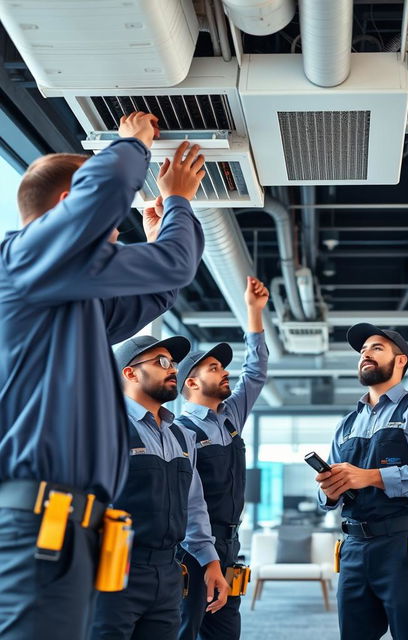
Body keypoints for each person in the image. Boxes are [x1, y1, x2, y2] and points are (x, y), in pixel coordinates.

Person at [0, 111, 206, 640]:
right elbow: (108, 189)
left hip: (73, 528)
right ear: (69, 207)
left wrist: (165, 232)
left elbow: (164, 281)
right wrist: (132, 144)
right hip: (39, 524)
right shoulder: (19, 262)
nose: (116, 234)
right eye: (110, 226)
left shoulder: (74, 299)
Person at [316, 323, 408, 640]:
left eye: (376, 348)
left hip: (403, 545)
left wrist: (370, 476)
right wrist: (328, 491)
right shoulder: (347, 423)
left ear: (401, 360)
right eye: (363, 351)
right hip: (353, 548)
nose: (365, 354)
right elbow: (329, 493)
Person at [91, 335, 228, 639]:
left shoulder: (181, 436)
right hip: (115, 571)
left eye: (173, 364)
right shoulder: (105, 426)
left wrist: (211, 561)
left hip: (168, 573)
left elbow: (193, 505)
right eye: (161, 362)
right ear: (130, 373)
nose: (173, 370)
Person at [175, 276, 269, 640]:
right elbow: (187, 502)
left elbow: (256, 372)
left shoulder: (229, 418)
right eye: (214, 368)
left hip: (230, 544)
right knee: (187, 628)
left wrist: (253, 313)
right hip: (193, 547)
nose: (224, 371)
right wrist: (205, 551)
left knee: (225, 630)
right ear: (191, 383)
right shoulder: (180, 432)